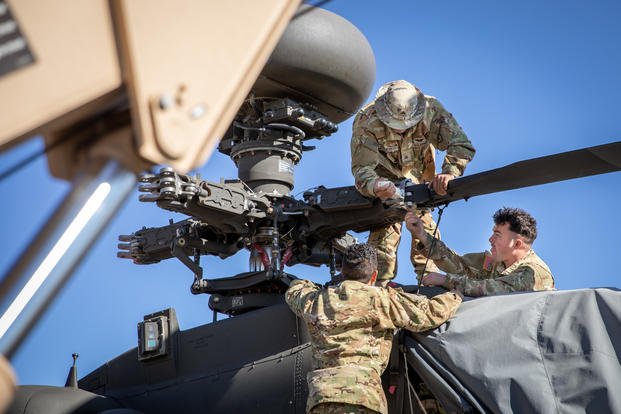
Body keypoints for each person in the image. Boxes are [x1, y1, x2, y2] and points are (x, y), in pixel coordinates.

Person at [285, 243, 462, 414]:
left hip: (322, 399)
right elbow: (430, 313)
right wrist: (455, 296)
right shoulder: (382, 299)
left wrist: (316, 286)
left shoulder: (316, 301)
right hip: (364, 398)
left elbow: (295, 291)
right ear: (374, 275)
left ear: (342, 272)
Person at [351, 80, 475, 285]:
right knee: (385, 232)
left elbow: (461, 145)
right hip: (384, 185)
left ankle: (430, 283)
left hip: (421, 182)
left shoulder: (431, 110)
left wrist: (450, 173)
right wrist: (376, 186)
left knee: (423, 228)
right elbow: (362, 170)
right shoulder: (367, 120)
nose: (401, 130)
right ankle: (377, 286)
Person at [405, 207, 554, 296]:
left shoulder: (534, 272)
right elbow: (459, 265)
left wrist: (446, 280)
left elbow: (495, 289)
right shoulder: (495, 262)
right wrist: (423, 236)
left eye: (497, 235)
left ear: (517, 244)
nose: (490, 239)